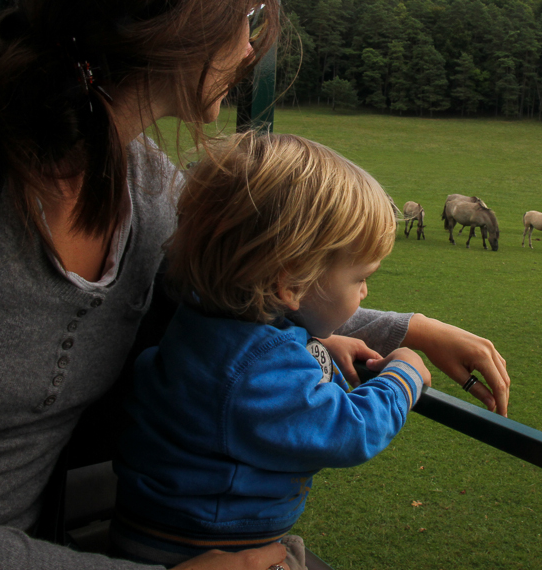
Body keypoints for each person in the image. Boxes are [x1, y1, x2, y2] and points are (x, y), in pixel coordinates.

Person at [0, 0, 509, 568]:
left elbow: (256, 287)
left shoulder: (151, 189)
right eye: (245, 15)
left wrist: (411, 329)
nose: (251, 48)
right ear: (167, 10)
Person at [110, 132, 433, 568]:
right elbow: (349, 429)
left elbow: (259, 354)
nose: (365, 291)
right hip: (203, 552)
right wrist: (405, 373)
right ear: (290, 284)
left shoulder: (204, 322)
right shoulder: (255, 368)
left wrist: (318, 343)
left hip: (160, 533)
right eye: (360, 277)